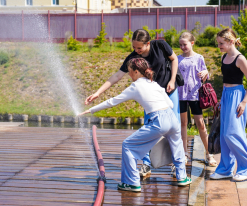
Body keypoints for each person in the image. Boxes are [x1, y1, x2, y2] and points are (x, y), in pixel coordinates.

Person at [79, 58, 191, 191]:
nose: (129, 75)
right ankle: (182, 177)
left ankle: (131, 182)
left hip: (158, 120)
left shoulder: (135, 86)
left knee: (128, 146)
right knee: (177, 146)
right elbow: (171, 104)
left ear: (136, 72)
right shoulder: (153, 83)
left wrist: (91, 110)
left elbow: (112, 102)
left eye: (130, 72)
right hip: (172, 118)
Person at [85, 29, 181, 177]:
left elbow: (174, 59)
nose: (136, 51)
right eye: (134, 48)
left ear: (148, 43)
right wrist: (98, 93)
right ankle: (146, 164)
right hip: (151, 98)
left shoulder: (161, 45)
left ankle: (176, 165)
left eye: (139, 48)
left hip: (169, 90)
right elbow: (117, 75)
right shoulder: (134, 57)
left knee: (173, 130)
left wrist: (172, 80)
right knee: (148, 130)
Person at [210, 28, 247, 181]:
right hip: (226, 96)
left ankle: (245, 167)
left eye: (221, 43)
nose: (219, 46)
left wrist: (244, 102)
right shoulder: (224, 57)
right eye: (218, 43)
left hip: (238, 96)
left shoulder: (240, 59)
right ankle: (225, 168)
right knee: (224, 135)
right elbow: (226, 82)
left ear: (231, 41)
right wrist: (220, 100)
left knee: (232, 133)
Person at [177, 32, 217, 166]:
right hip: (181, 95)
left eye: (185, 44)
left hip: (195, 95)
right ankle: (184, 153)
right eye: (180, 45)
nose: (182, 47)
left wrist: (206, 73)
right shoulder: (177, 59)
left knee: (200, 124)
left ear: (192, 43)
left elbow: (205, 74)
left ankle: (209, 153)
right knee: (183, 124)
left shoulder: (199, 58)